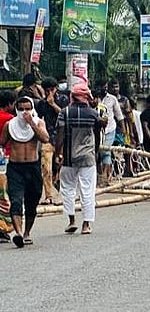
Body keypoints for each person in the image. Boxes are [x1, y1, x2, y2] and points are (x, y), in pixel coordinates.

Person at [56, 79, 105, 236]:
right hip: (87, 157)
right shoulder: (93, 113)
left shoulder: (65, 112)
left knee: (68, 188)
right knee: (87, 190)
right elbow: (97, 136)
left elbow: (60, 135)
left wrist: (58, 153)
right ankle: (86, 224)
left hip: (69, 157)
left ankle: (71, 220)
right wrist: (96, 152)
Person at [0, 96, 50, 246]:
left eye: (27, 109)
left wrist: (31, 123)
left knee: (32, 201)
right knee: (15, 201)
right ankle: (19, 234)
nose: (24, 112)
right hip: (15, 167)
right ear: (16, 109)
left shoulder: (39, 123)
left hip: (33, 167)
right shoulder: (10, 125)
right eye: (21, 109)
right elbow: (2, 142)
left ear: (32, 109)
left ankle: (27, 232)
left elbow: (45, 138)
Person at [98, 79, 124, 186]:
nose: (104, 88)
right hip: (97, 130)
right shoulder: (93, 99)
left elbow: (119, 115)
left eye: (105, 86)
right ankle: (100, 176)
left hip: (110, 129)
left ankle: (106, 176)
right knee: (98, 152)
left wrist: (123, 130)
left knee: (106, 152)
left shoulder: (112, 99)